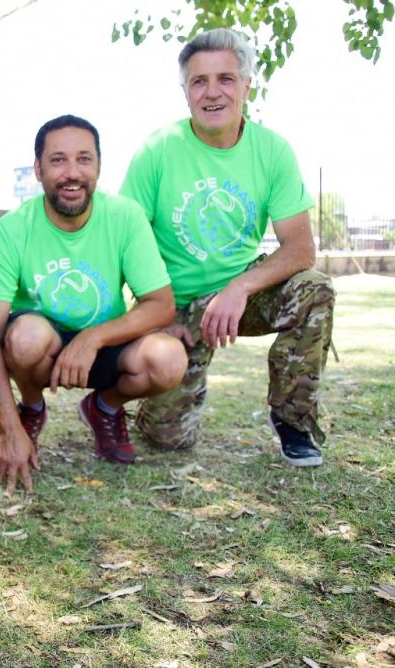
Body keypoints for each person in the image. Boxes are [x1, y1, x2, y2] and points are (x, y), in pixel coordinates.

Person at [120, 29, 335, 466]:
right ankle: (147, 408)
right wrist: (152, 316)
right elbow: (124, 243)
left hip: (242, 296)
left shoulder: (272, 150)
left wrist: (238, 288)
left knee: (316, 288)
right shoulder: (159, 149)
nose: (212, 92)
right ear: (185, 91)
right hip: (176, 304)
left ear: (246, 85)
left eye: (225, 78)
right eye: (199, 81)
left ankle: (294, 420)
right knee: (167, 439)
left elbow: (300, 249)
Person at [0, 115, 188, 494]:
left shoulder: (125, 217)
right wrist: (8, 428)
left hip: (106, 347)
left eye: (84, 159)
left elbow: (161, 305)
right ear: (38, 169)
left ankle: (104, 407)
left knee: (168, 359)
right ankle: (31, 409)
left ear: (99, 167)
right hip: (43, 351)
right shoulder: (12, 229)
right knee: (23, 337)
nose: (72, 172)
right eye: (58, 160)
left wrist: (91, 339)